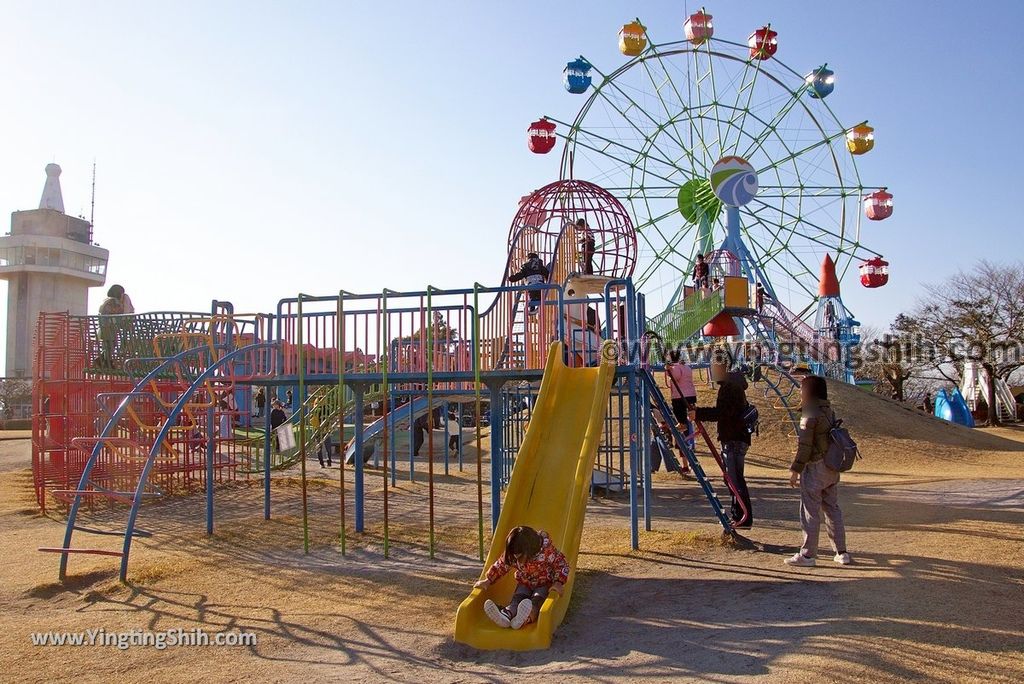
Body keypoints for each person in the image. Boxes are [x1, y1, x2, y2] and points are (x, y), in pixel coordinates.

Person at [785, 375, 851, 566]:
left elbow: (804, 445)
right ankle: (841, 552)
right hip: (832, 466)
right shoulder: (829, 411)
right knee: (832, 509)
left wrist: (795, 470)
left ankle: (807, 555)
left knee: (810, 511)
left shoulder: (809, 414)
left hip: (815, 467)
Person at [473, 526, 569, 630]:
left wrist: (558, 582)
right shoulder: (515, 555)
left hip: (543, 584)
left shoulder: (547, 552)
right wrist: (488, 580)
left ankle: (524, 618)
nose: (517, 561)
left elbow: (561, 564)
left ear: (530, 550)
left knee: (536, 601)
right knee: (517, 599)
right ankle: (506, 615)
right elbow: (501, 565)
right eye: (515, 557)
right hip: (525, 583)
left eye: (519, 557)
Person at [693, 370, 753, 528]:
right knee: (733, 479)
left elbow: (723, 413)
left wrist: (699, 413)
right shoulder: (734, 384)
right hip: (737, 437)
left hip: (733, 438)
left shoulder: (730, 387)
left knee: (734, 479)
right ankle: (740, 515)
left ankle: (743, 517)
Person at [665, 349, 697, 444]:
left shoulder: (676, 367)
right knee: (686, 409)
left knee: (678, 409)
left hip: (681, 395)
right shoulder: (686, 367)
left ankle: (682, 423)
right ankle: (691, 414)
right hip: (691, 394)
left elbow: (675, 377)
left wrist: (668, 370)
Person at [97, 284, 133, 367]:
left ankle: (103, 360)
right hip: (109, 326)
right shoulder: (114, 302)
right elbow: (118, 312)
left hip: (104, 326)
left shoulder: (107, 301)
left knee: (108, 345)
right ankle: (107, 362)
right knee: (111, 344)